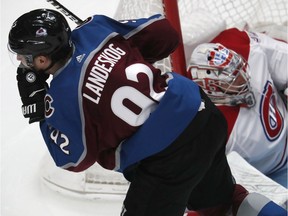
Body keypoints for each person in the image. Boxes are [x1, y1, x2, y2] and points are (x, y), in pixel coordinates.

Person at [8, 9, 287, 216]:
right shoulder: (97, 28)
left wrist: (39, 110)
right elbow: (165, 34)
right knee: (224, 205)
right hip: (202, 114)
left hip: (167, 159)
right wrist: (117, 54)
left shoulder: (62, 97)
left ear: (42, 59)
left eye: (23, 56)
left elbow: (73, 160)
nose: (21, 62)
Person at [187, 27, 288, 188]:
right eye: (233, 82)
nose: (244, 80)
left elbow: (279, 54)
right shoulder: (208, 127)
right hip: (268, 180)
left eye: (241, 72)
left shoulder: (239, 43)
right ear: (213, 88)